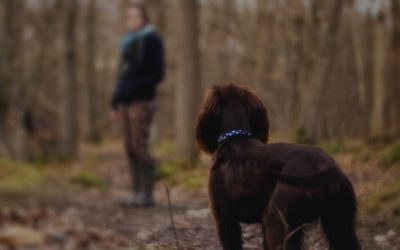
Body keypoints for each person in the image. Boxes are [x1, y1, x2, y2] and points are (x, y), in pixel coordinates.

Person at [110, 3, 165, 207]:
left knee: (139, 144)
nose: (132, 20)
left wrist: (134, 88)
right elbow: (121, 76)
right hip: (124, 102)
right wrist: (114, 103)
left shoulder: (152, 40)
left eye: (136, 16)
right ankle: (136, 193)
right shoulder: (127, 43)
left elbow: (158, 73)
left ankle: (147, 193)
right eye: (129, 17)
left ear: (144, 18)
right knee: (128, 146)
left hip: (143, 100)